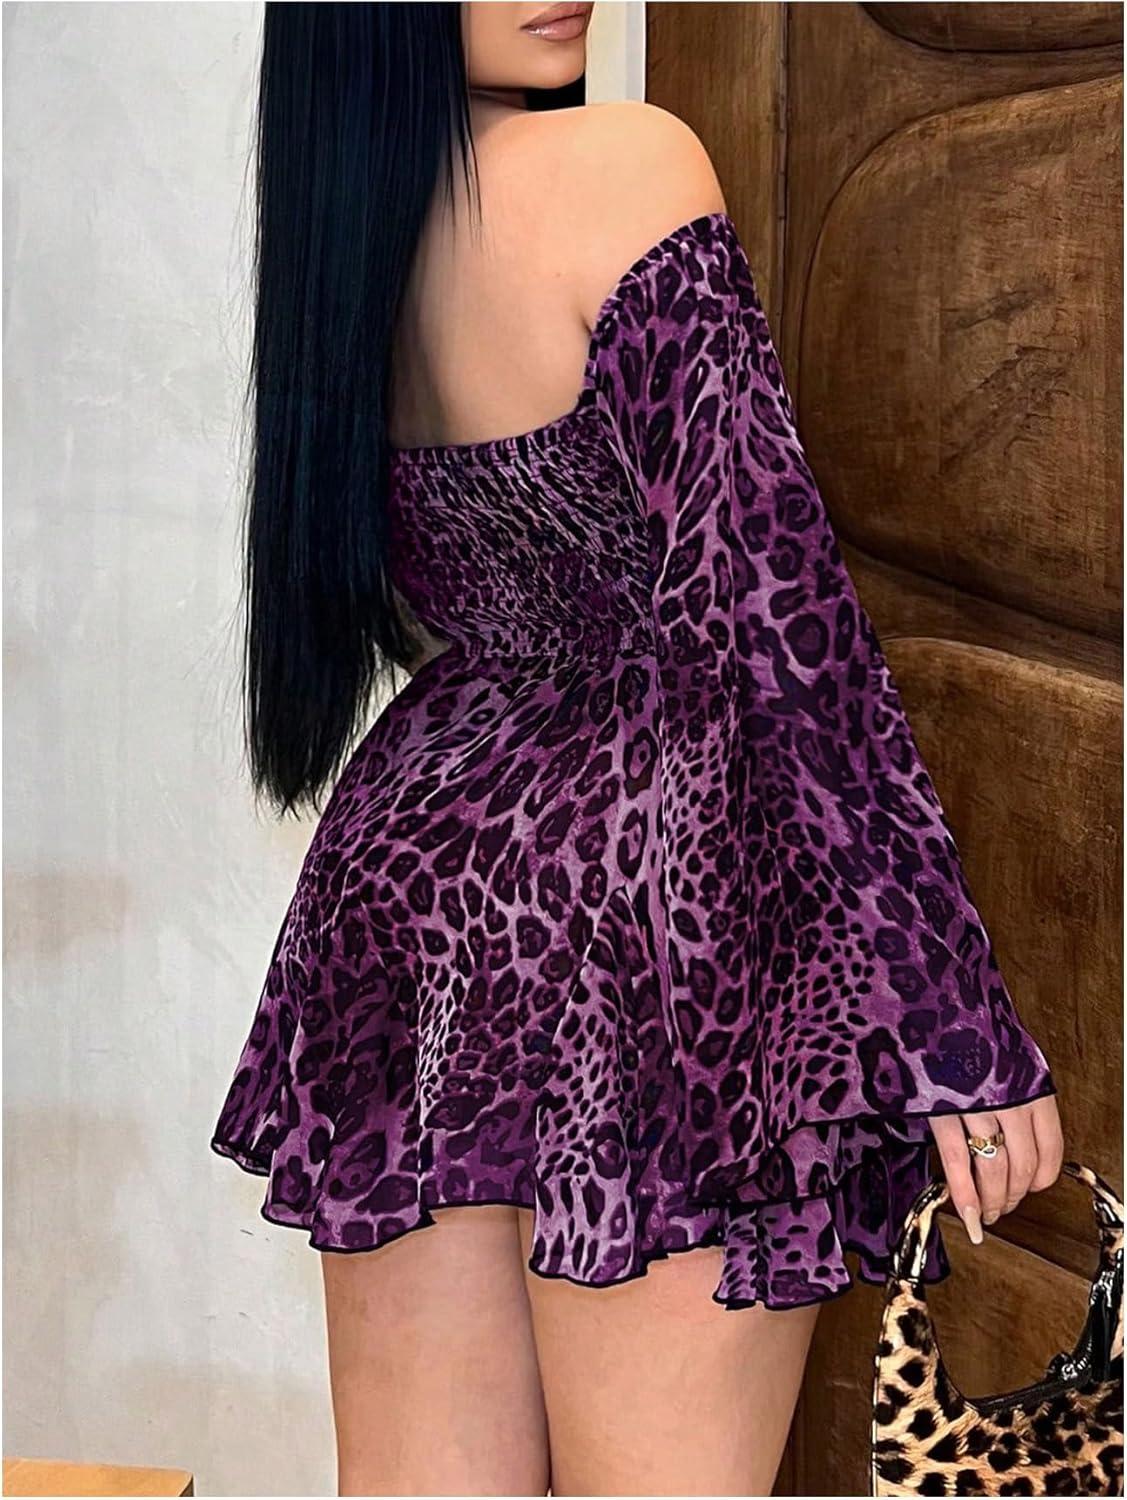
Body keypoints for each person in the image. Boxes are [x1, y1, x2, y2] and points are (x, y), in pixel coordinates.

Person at [211, 4, 1064, 1494]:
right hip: (652, 902)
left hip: (415, 875)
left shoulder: (348, 235)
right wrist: (953, 1025)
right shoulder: (623, 167)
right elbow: (779, 618)